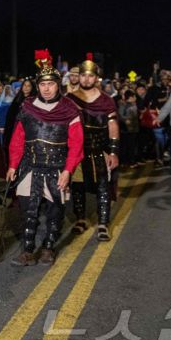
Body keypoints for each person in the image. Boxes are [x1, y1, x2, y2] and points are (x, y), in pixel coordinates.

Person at [6, 50, 84, 266]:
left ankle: (49, 247)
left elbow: (77, 144)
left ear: (58, 85)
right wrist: (13, 164)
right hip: (30, 166)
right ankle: (28, 250)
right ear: (37, 85)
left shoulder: (70, 110)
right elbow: (18, 139)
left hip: (57, 168)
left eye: (51, 84)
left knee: (55, 211)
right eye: (42, 84)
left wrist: (68, 170)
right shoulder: (27, 107)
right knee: (28, 211)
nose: (46, 88)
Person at [66, 56, 120, 241]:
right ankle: (80, 219)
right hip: (77, 150)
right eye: (83, 75)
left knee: (103, 187)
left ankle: (103, 223)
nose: (86, 79)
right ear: (78, 77)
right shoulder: (70, 99)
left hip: (100, 149)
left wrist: (113, 151)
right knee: (78, 186)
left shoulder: (106, 101)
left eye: (90, 76)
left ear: (96, 78)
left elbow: (113, 126)